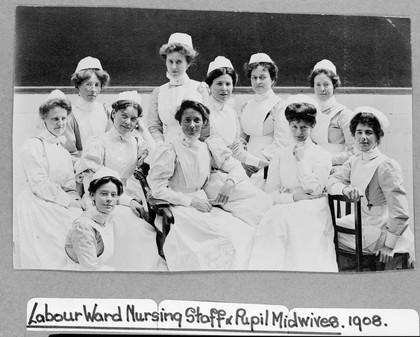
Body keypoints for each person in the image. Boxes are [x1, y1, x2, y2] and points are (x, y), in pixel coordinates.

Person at [147, 100, 257, 271]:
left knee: (242, 233)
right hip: (179, 207)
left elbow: (235, 166)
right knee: (216, 242)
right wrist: (191, 202)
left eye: (197, 120)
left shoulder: (207, 147)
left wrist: (229, 183)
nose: (192, 125)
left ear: (204, 122)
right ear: (180, 122)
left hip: (204, 205)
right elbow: (158, 188)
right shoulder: (169, 149)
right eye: (187, 120)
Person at [75, 91, 167, 271]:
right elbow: (92, 183)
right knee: (133, 227)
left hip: (130, 195)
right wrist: (126, 201)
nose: (128, 122)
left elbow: (158, 157)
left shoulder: (136, 141)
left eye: (133, 119)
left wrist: (144, 131)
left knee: (144, 226)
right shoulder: (98, 142)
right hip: (104, 198)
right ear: (113, 114)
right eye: (124, 116)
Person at [249, 94, 338, 272]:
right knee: (273, 221)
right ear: (289, 126)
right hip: (287, 203)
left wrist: (301, 161)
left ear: (313, 126)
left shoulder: (322, 155)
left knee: (288, 223)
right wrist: (294, 197)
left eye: (304, 128)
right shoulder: (281, 154)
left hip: (313, 208)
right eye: (294, 127)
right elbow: (271, 193)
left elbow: (313, 189)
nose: (298, 133)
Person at [326, 107, 415, 267]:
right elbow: (331, 182)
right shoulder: (354, 160)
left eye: (369, 132)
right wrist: (345, 189)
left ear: (378, 136)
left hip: (380, 230)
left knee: (327, 236)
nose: (363, 137)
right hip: (358, 225)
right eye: (359, 132)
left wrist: (389, 245)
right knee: (323, 232)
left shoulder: (386, 166)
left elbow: (400, 211)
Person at [14, 90, 83, 269]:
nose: (60, 123)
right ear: (44, 119)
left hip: (59, 201)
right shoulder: (31, 146)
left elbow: (69, 183)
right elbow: (39, 184)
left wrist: (74, 198)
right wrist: (67, 201)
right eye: (54, 119)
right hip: (36, 202)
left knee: (80, 219)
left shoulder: (63, 151)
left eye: (63, 118)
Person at [201, 55, 273, 226]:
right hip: (209, 174)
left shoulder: (230, 112)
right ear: (210, 86)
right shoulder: (203, 112)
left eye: (228, 84)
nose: (224, 89)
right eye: (219, 84)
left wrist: (264, 164)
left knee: (264, 200)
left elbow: (236, 149)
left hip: (231, 171)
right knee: (258, 205)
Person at [238, 52, 289, 188]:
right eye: (254, 78)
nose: (258, 82)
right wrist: (244, 160)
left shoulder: (279, 105)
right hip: (246, 162)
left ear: (272, 79)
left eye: (262, 77)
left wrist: (257, 161)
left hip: (268, 163)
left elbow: (281, 142)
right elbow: (241, 138)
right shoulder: (245, 106)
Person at [148, 32, 208, 144]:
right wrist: (161, 146)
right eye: (170, 61)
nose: (173, 67)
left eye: (179, 62)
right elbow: (154, 126)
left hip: (194, 148)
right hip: (166, 149)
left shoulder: (200, 88)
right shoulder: (159, 92)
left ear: (188, 63)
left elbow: (207, 124)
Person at [64, 167, 122, 271]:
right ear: (92, 195)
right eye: (104, 194)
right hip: (80, 278)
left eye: (113, 195)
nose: (109, 199)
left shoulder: (106, 221)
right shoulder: (83, 227)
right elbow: (90, 269)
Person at [63, 56, 112, 164]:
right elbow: (69, 153)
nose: (93, 90)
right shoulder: (69, 114)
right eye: (88, 84)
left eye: (97, 85)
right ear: (78, 85)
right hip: (80, 168)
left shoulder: (106, 111)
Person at [309, 59, 355, 167]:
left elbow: (354, 152)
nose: (322, 89)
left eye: (326, 84)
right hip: (315, 166)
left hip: (338, 168)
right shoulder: (311, 112)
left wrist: (326, 160)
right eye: (318, 85)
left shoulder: (344, 114)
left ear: (334, 85)